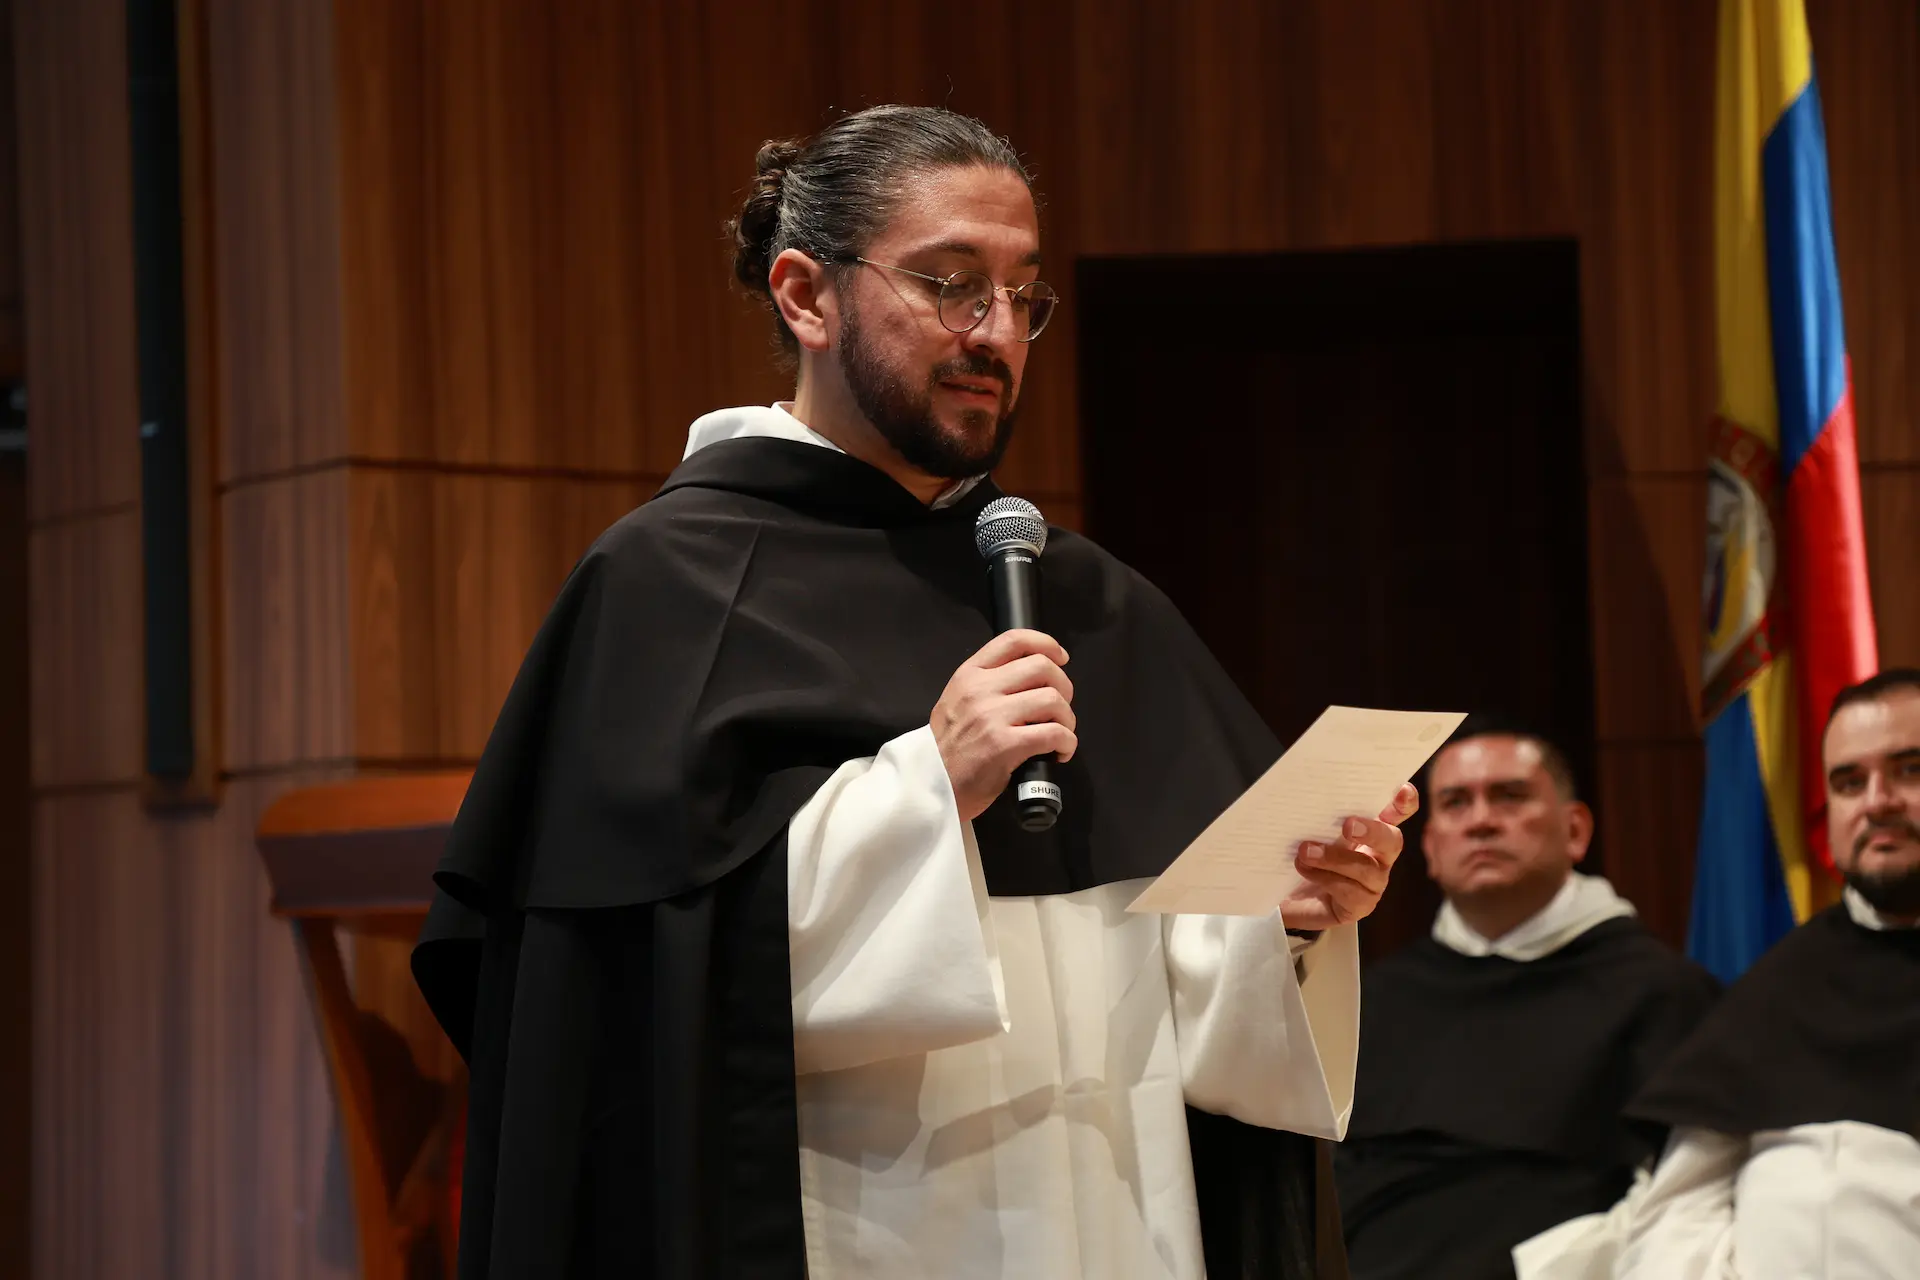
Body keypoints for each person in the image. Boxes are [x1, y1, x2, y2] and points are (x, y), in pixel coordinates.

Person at [411, 104, 1418, 1280]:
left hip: (1119, 1211)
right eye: (949, 282)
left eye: (1022, 295)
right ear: (806, 295)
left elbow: (1169, 969)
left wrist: (1287, 915)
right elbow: (624, 993)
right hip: (863, 1218)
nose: (994, 331)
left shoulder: (1082, 591)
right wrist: (926, 780)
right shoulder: (668, 585)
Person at [1334, 718, 1717, 1280]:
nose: (1482, 821)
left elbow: (1690, 1199)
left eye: (1510, 796)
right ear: (1432, 848)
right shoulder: (1368, 997)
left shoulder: (1663, 993)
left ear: (1575, 830)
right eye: (1456, 803)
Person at [1603, 668, 1920, 1278]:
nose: (1877, 801)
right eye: (1849, 782)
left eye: (1909, 769)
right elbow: (1674, 1218)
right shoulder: (1787, 979)